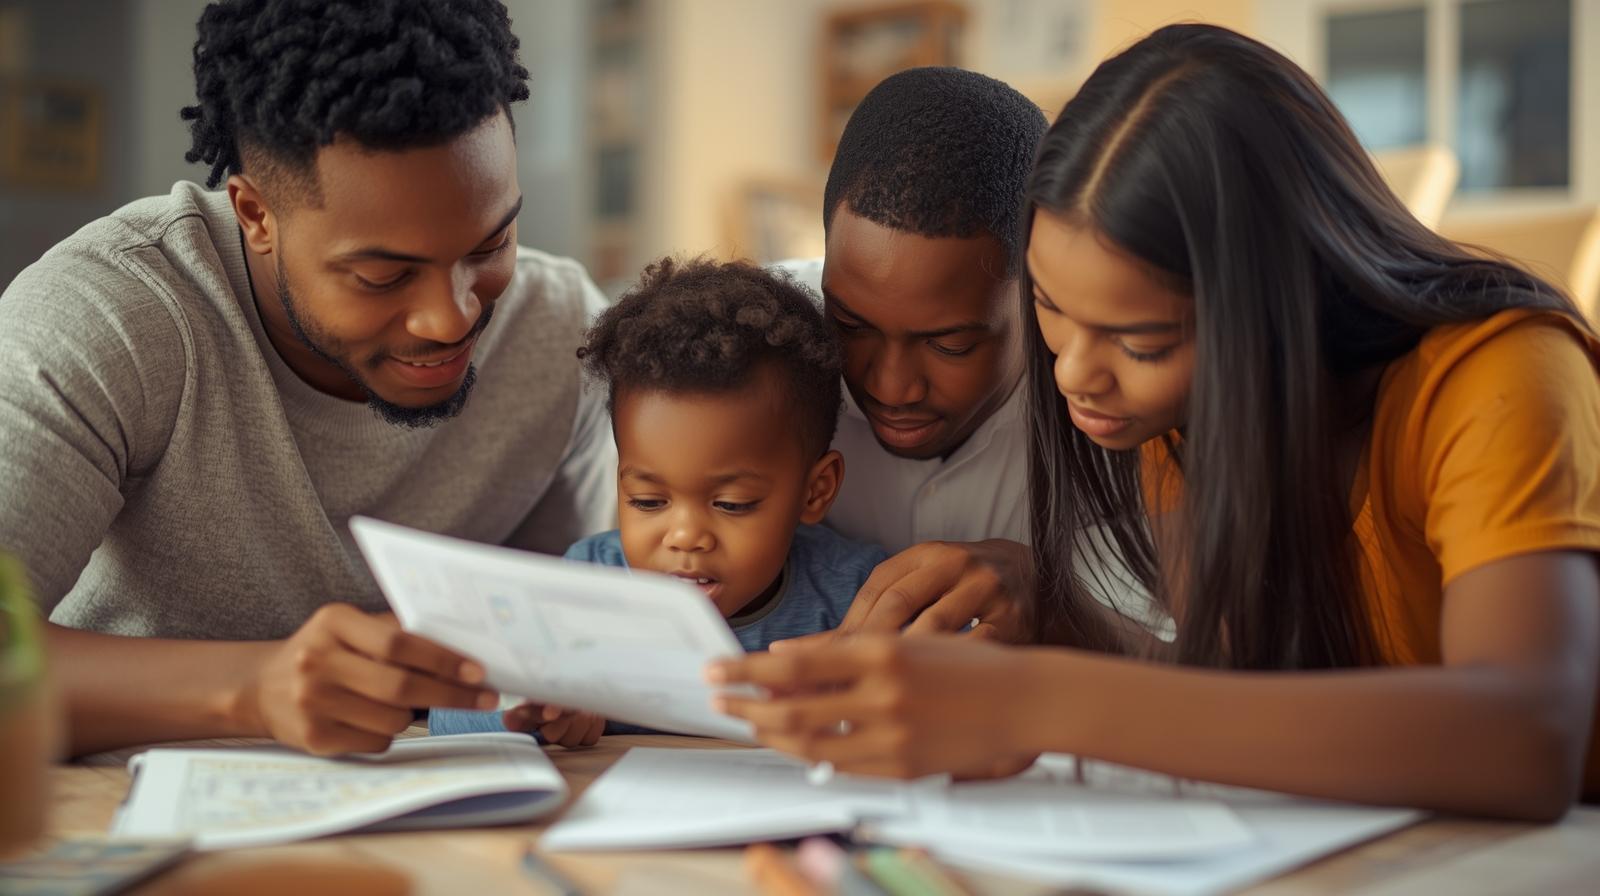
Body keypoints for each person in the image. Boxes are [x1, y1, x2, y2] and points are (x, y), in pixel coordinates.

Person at [711, 24, 1600, 821]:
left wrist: (1032, 697)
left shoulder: (1500, 375)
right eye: (1054, 310)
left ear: (1269, 304)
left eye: (1136, 339)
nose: (1073, 375)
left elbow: (1527, 739)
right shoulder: (1178, 419)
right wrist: (1050, 615)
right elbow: (1235, 691)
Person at [0, 0, 615, 757]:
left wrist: (564, 683)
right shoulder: (111, 318)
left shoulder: (562, 335)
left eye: (490, 246)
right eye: (384, 275)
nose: (450, 318)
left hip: (448, 822)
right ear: (255, 215)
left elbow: (573, 628)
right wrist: (255, 688)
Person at [430, 258, 887, 745]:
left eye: (732, 504)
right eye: (648, 501)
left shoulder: (860, 600)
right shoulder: (582, 590)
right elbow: (447, 712)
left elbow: (958, 688)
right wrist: (533, 708)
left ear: (814, 491)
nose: (685, 535)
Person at [777, 68, 1073, 643]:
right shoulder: (760, 347)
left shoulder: (1106, 393)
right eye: (850, 325)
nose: (891, 387)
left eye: (950, 344)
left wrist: (1060, 605)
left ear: (1037, 290)